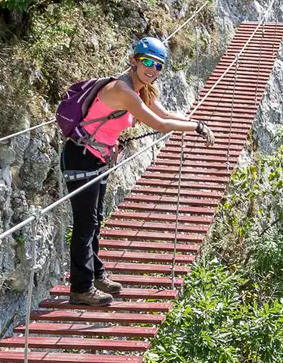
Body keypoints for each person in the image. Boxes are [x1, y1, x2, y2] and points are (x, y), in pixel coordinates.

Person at [63, 36, 214, 306]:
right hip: (81, 157)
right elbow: (160, 125)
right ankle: (80, 288)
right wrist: (196, 128)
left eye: (158, 65)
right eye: (147, 62)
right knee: (86, 223)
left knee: (95, 220)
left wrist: (196, 122)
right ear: (133, 60)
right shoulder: (123, 91)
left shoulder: (141, 89)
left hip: (97, 159)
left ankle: (96, 275)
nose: (152, 69)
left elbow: (165, 115)